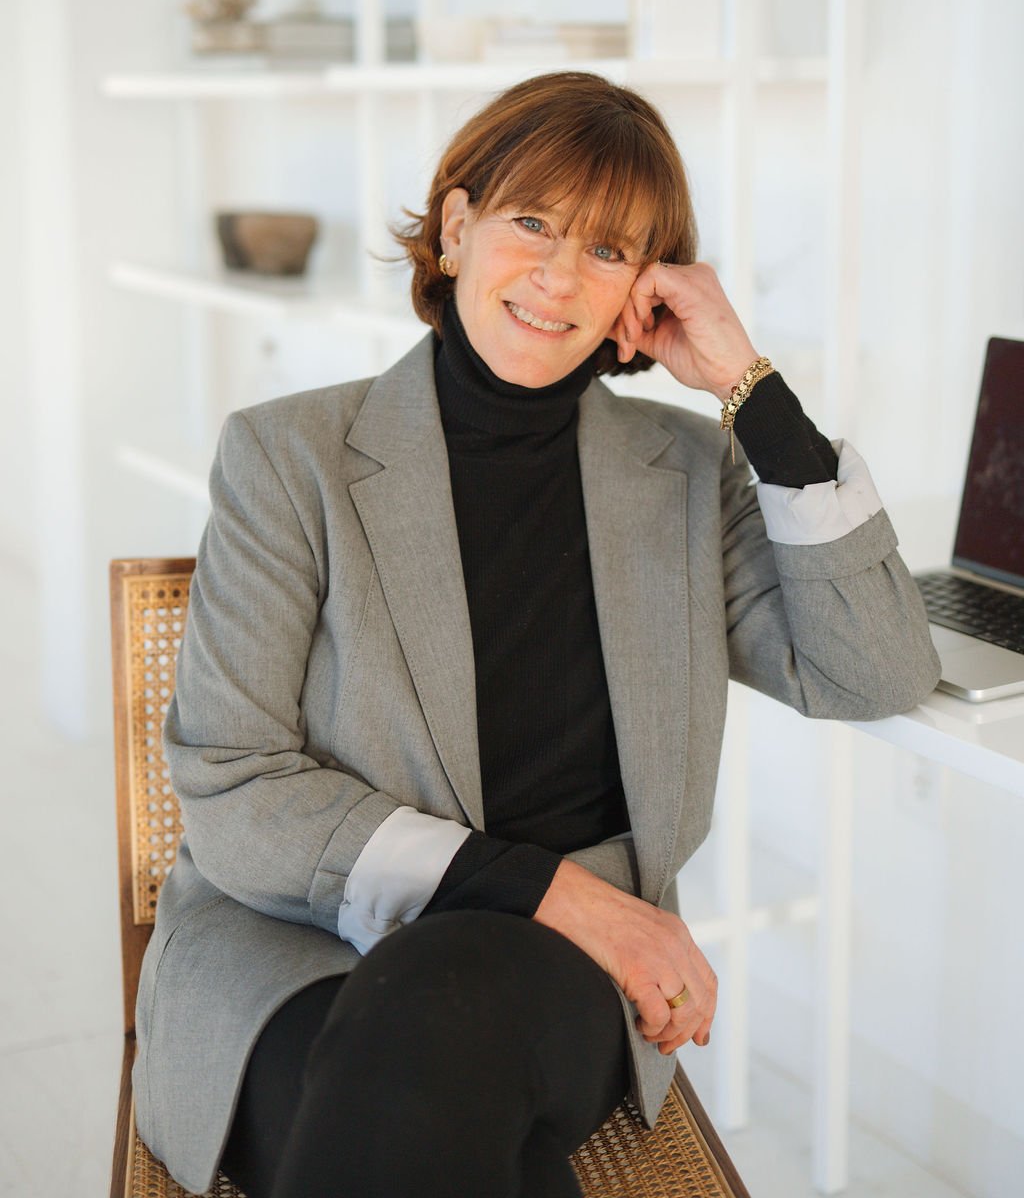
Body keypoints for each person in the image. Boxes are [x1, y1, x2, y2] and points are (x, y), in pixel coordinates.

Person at [132, 71, 941, 1198]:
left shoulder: (685, 474)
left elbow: (876, 671)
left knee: (441, 1024)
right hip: (296, 942)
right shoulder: (290, 456)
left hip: (546, 976)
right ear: (457, 228)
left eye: (608, 251)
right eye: (532, 223)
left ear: (641, 296)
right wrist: (566, 897)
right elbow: (232, 786)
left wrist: (750, 393)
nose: (559, 276)